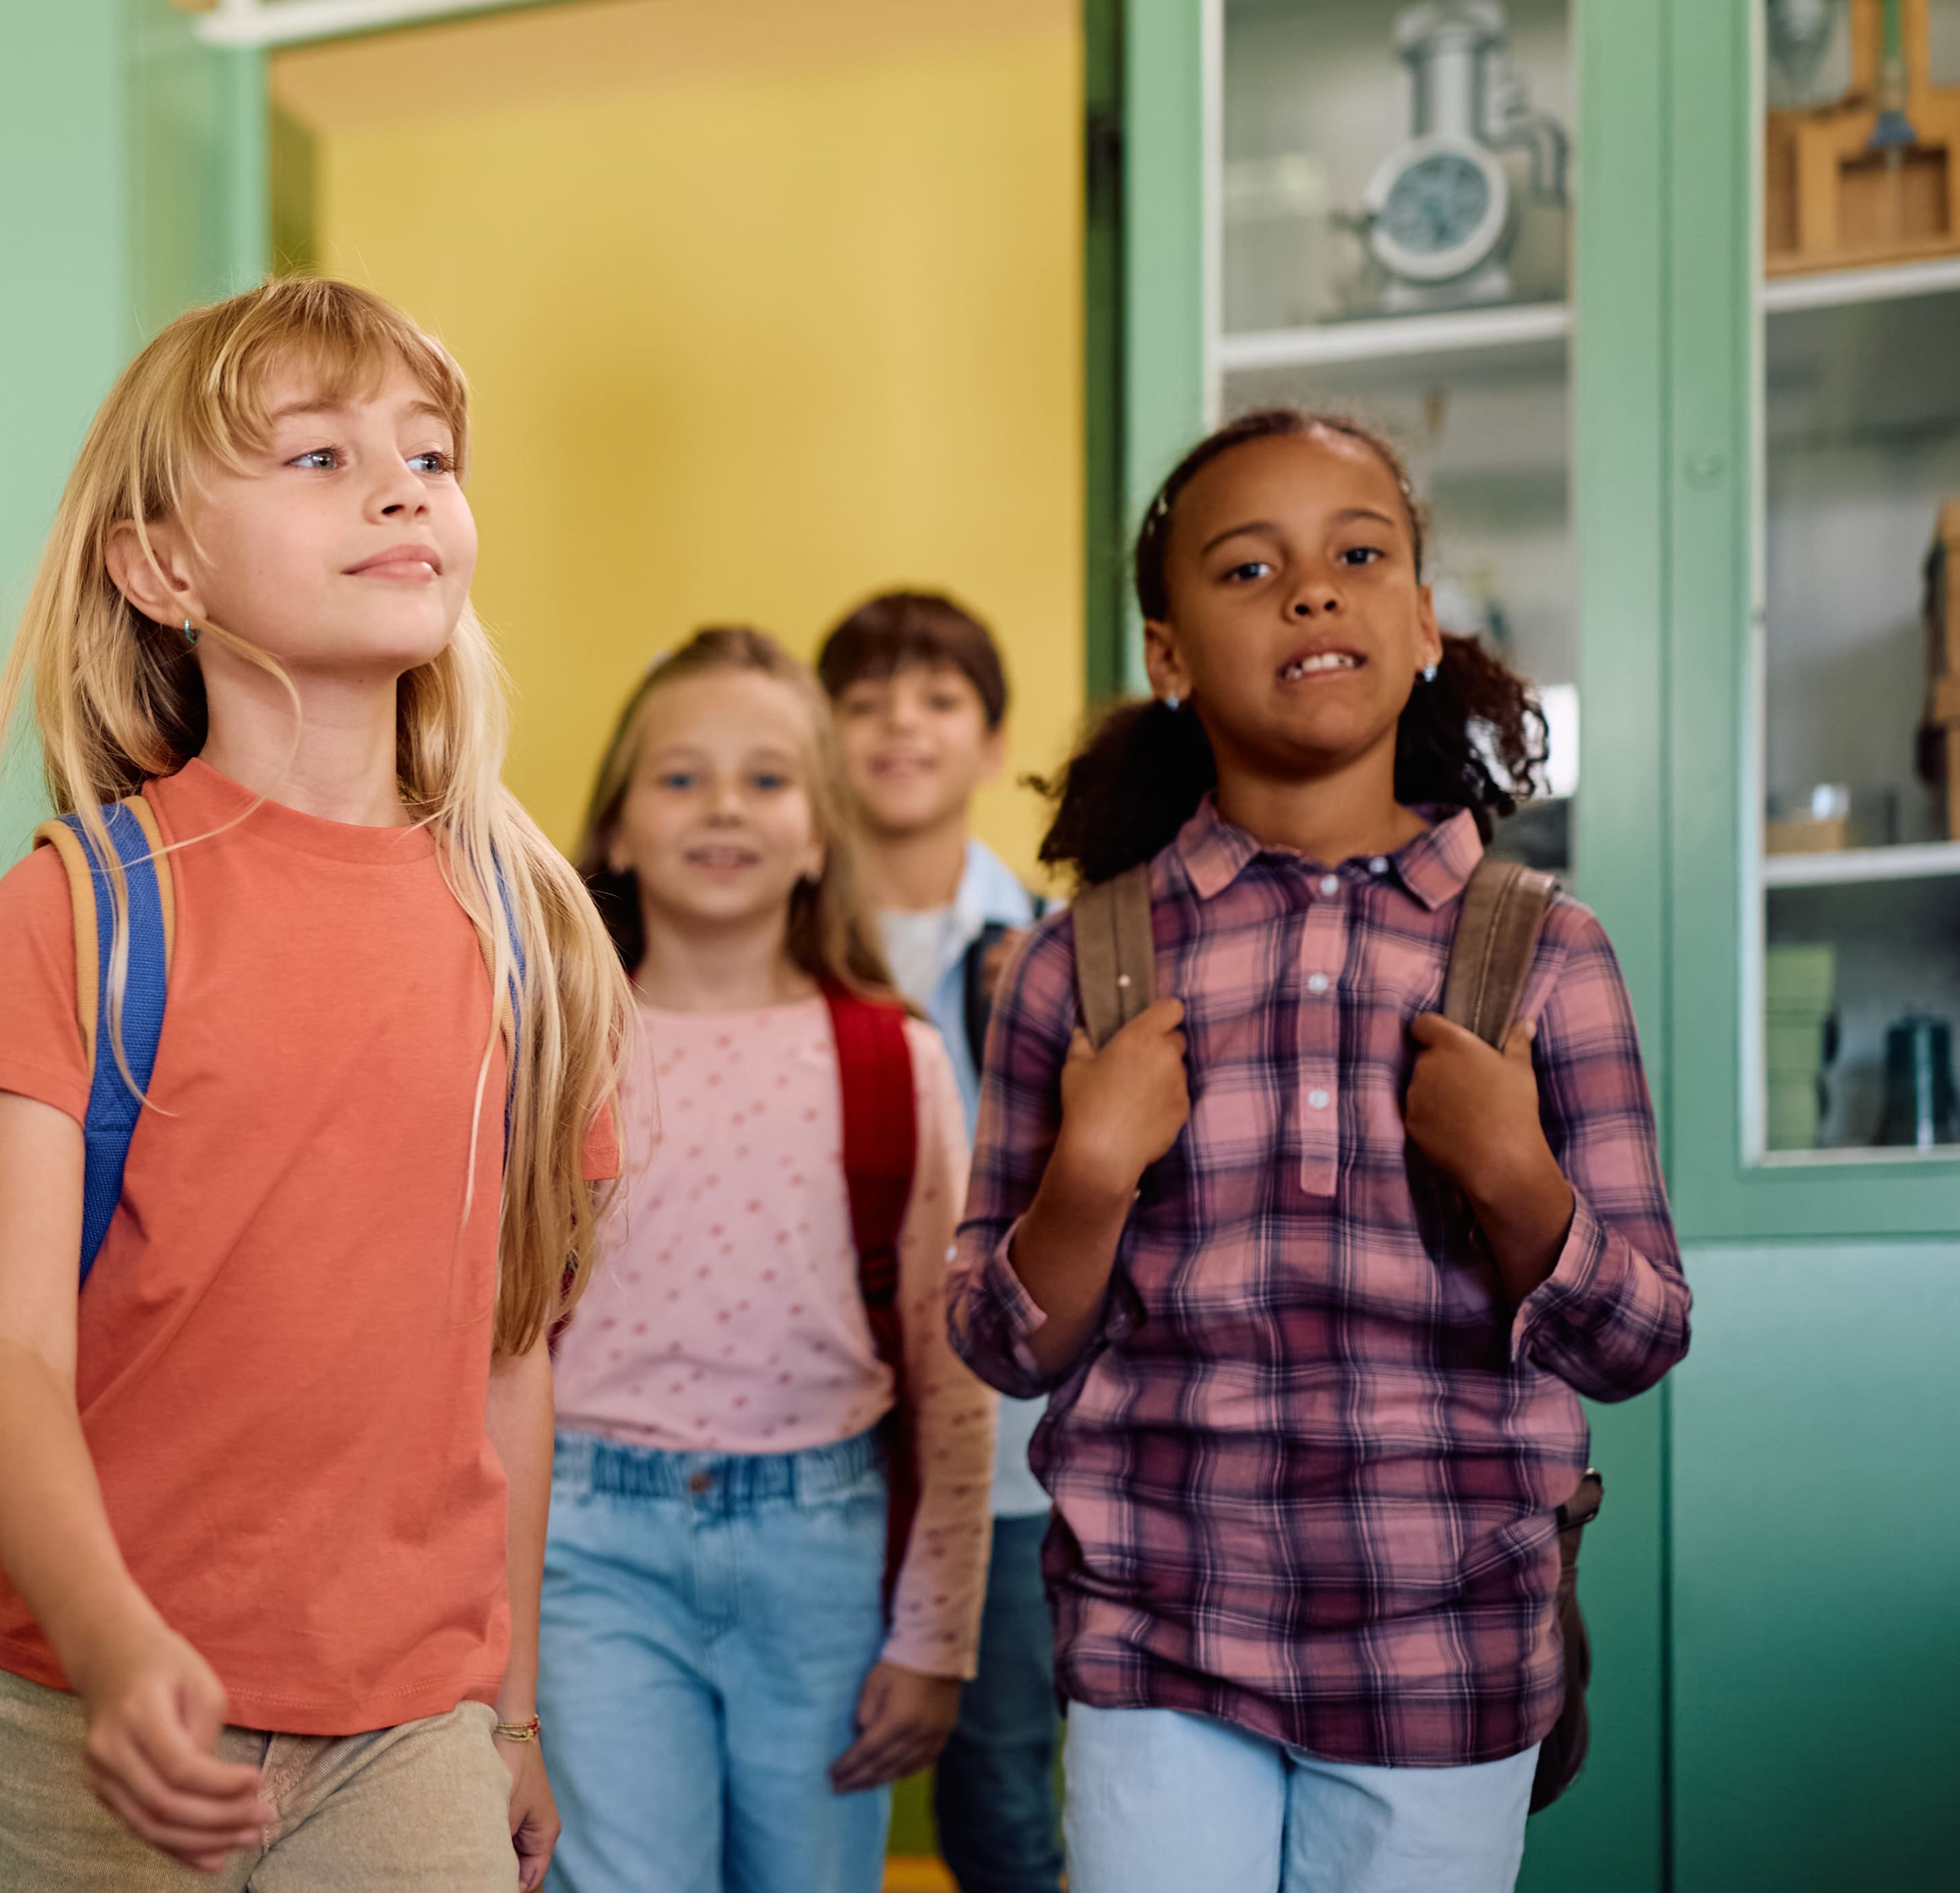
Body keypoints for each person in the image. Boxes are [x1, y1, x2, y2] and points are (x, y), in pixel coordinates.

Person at [0, 277, 629, 1892]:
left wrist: (508, 1718)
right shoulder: (77, 910)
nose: (397, 486)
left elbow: (513, 1367)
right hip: (71, 1716)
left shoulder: (529, 936)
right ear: (160, 568)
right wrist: (114, 1646)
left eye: (428, 456)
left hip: (411, 1741)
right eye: (313, 458)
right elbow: (2, 1353)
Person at [948, 411, 1692, 1893]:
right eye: (1249, 568)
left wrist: (1517, 1181)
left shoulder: (1544, 950)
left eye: (1358, 556)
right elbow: (997, 1340)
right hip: (1155, 1640)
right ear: (1167, 657)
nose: (1310, 591)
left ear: (1420, 623)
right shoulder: (1076, 964)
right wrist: (1088, 1179)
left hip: (1443, 1649)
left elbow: (1638, 1335)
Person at [549, 626, 992, 1893]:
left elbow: (950, 1379)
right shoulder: (557, 1053)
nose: (723, 806)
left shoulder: (891, 1062)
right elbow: (498, 1345)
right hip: (591, 1548)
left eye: (766, 778)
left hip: (823, 1550)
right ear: (619, 828)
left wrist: (937, 1636)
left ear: (818, 834)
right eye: (681, 777)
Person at [817, 591, 1063, 1893]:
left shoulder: (1053, 948)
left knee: (1002, 1808)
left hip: (1014, 1473)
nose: (899, 727)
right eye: (862, 702)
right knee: (802, 1796)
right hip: (816, 1452)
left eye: (936, 700)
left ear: (988, 740)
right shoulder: (773, 938)